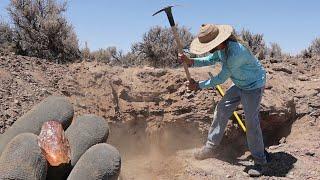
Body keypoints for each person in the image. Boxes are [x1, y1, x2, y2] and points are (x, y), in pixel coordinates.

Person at [178, 24, 267, 177]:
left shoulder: (236, 53)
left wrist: (198, 86)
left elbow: (220, 78)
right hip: (239, 83)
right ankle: (211, 147)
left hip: (253, 86)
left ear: (220, 40)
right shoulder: (221, 49)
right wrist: (191, 61)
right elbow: (211, 59)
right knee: (221, 109)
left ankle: (260, 161)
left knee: (251, 122)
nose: (208, 48)